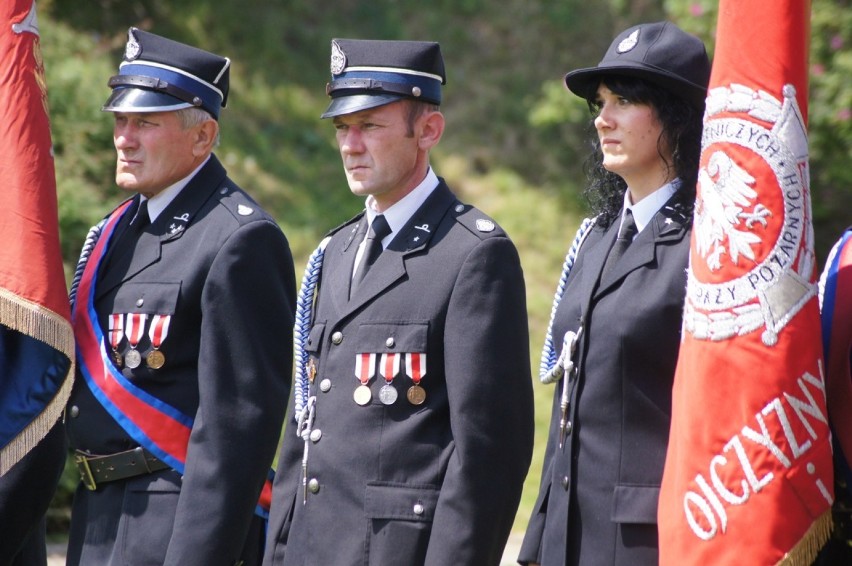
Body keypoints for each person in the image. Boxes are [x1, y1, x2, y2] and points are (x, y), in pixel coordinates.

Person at [263, 38, 534, 566]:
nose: (349, 144)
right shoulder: (335, 252)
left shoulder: (472, 255)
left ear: (428, 130)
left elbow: (487, 458)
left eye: (369, 126)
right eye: (342, 127)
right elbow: (305, 429)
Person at [64, 28, 296, 566]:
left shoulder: (240, 239)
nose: (124, 137)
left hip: (175, 524)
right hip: (98, 514)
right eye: (120, 120)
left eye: (146, 122)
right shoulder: (114, 231)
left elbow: (238, 429)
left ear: (202, 136)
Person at [518, 21, 710, 566]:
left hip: (652, 544)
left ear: (676, 114)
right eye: (600, 103)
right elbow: (568, 408)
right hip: (568, 538)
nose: (603, 119)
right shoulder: (596, 237)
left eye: (624, 100)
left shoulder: (708, 248)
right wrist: (538, 543)